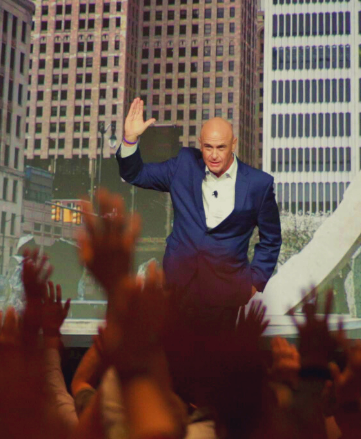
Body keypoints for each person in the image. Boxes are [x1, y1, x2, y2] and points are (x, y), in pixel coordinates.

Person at [114, 97, 281, 328]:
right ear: (200, 144)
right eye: (208, 147)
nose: (214, 155)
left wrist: (253, 283)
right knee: (176, 350)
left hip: (227, 293)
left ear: (233, 144)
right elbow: (136, 174)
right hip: (177, 287)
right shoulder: (183, 165)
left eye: (221, 147)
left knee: (218, 351)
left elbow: (271, 239)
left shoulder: (258, 184)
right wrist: (130, 139)